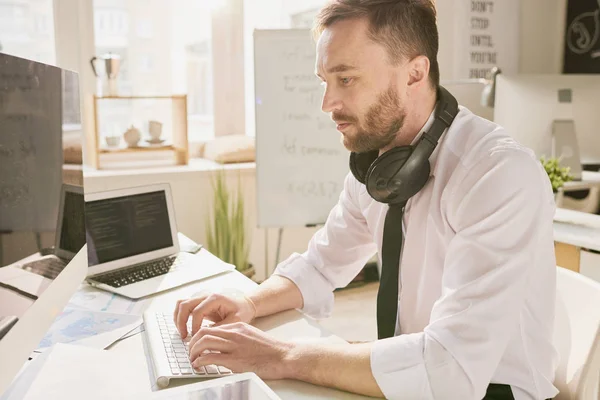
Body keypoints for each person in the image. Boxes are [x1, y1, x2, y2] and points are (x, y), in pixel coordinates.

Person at [173, 1, 558, 399]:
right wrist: (248, 302)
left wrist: (282, 355)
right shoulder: (377, 164)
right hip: (412, 369)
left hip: (490, 387)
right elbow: (321, 266)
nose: (327, 104)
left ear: (415, 72)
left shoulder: (497, 174)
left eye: (346, 79)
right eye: (324, 80)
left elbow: (449, 372)